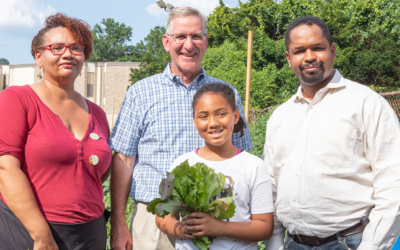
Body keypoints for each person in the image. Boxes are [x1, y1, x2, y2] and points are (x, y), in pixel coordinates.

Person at [109, 6, 253, 250]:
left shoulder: (226, 93)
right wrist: (119, 224)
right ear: (166, 42)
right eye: (180, 37)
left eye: (196, 36)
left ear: (206, 42)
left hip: (214, 216)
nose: (189, 44)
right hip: (154, 218)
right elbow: (124, 160)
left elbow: (242, 157)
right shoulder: (141, 93)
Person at [263, 16, 400, 250]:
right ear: (289, 58)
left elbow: (393, 183)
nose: (309, 57)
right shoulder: (280, 116)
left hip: (350, 242)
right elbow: (272, 188)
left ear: (333, 51)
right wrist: (275, 244)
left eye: (317, 48)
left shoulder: (366, 103)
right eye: (299, 51)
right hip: (293, 244)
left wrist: (371, 247)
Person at [0, 13, 111, 250]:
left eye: (76, 48)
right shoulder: (17, 99)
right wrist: (41, 235)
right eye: (57, 47)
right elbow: (5, 169)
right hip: (30, 232)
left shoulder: (98, 114)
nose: (68, 54)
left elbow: (97, 173)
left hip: (91, 234)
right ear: (39, 57)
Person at [156, 83, 274, 249]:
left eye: (221, 114)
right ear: (194, 121)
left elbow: (264, 226)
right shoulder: (181, 165)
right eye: (203, 116)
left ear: (235, 116)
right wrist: (180, 229)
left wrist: (219, 228)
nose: (213, 123)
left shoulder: (254, 166)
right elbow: (163, 215)